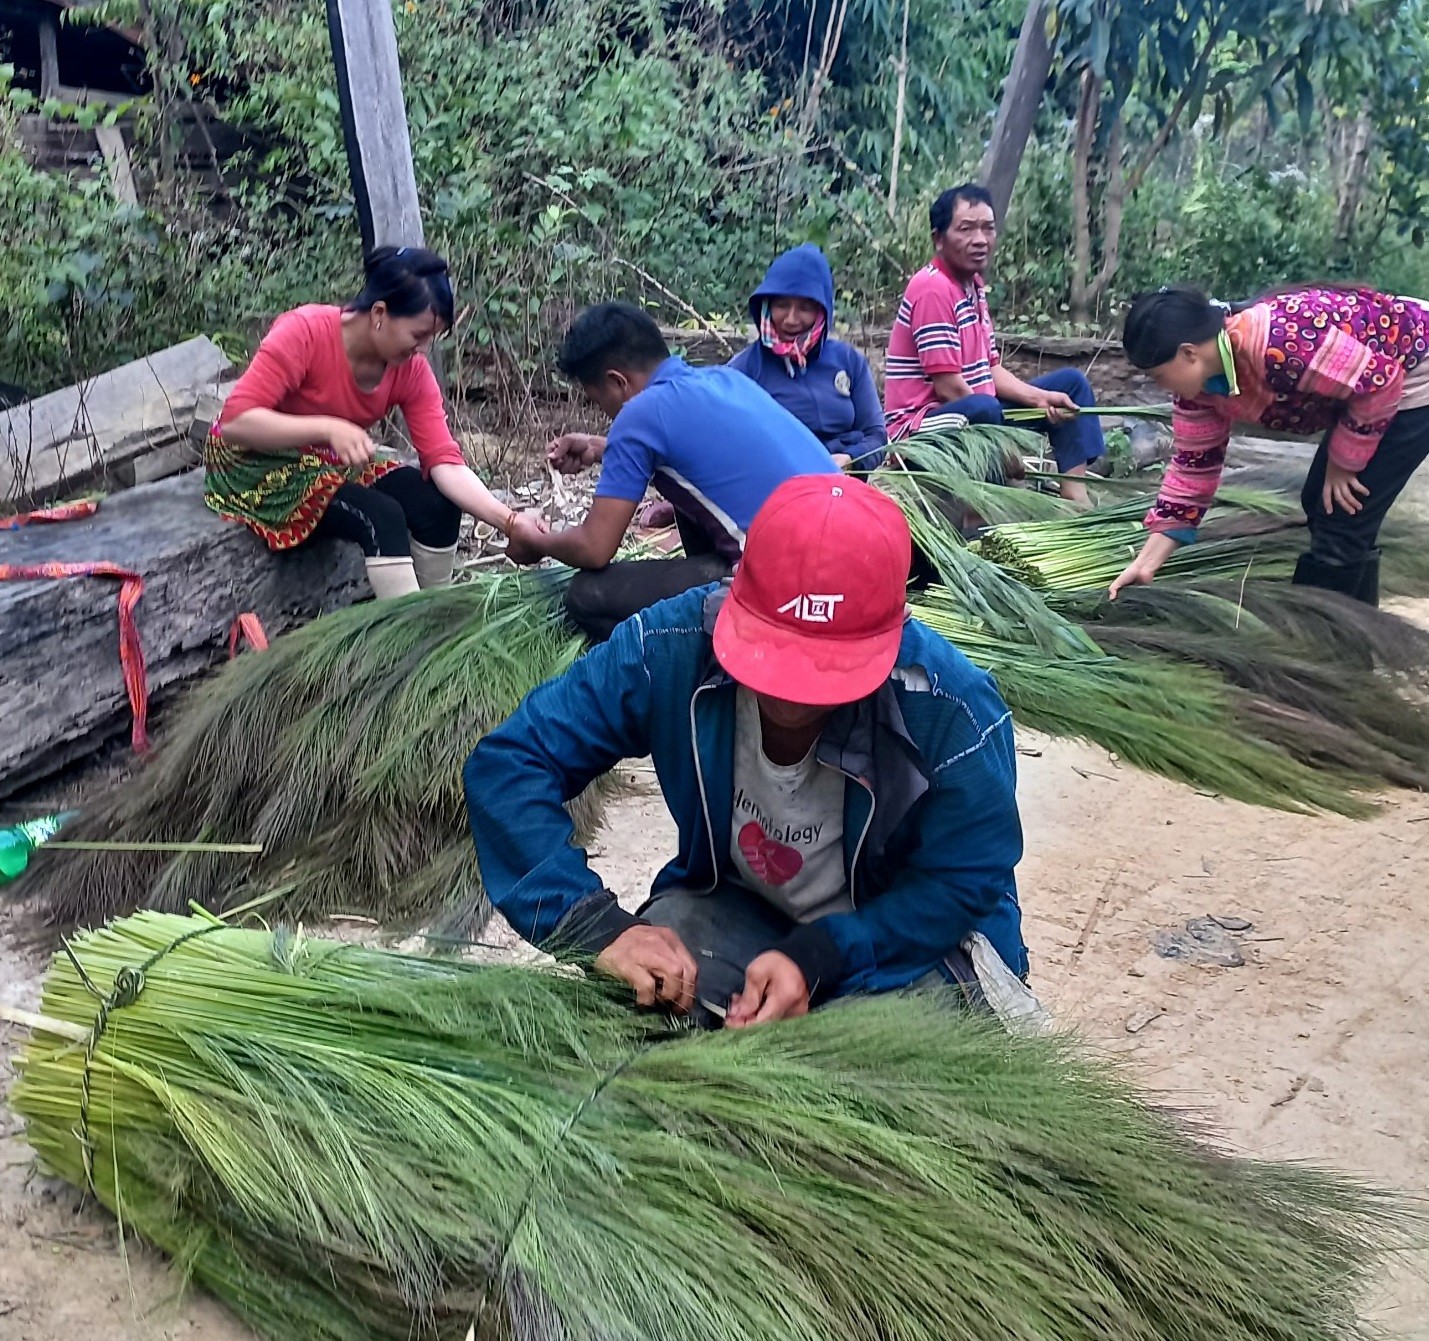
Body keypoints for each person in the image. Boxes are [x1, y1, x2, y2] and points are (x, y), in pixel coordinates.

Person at [466, 474, 1027, 1028]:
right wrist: (595, 926)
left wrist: (821, 956)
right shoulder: (670, 646)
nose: (788, 696)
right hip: (739, 909)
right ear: (734, 590)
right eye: (773, 656)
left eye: (824, 673)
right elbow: (511, 764)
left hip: (904, 939)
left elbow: (963, 882)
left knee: (865, 1089)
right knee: (638, 1013)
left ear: (895, 629)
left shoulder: (952, 708)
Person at [205, 247, 545, 598]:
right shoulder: (305, 331)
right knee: (381, 517)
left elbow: (444, 461)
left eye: (431, 338)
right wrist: (328, 428)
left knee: (437, 505)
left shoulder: (410, 371)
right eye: (417, 335)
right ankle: (407, 636)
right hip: (255, 460)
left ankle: (436, 616)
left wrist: (510, 522)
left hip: (325, 460)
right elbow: (236, 421)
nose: (423, 349)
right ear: (379, 313)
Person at [510, 301, 839, 641]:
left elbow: (594, 549)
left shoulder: (638, 416)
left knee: (586, 595)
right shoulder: (722, 379)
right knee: (683, 491)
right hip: (847, 558)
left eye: (597, 400)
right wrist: (598, 448)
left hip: (795, 586)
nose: (604, 411)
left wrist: (536, 540)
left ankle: (690, 668)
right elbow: (697, 448)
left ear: (618, 381)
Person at [1111, 284, 1429, 606]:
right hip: (1369, 391)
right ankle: (1363, 633)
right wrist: (1145, 564)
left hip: (1414, 371)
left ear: (1189, 353)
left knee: (1341, 523)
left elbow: (1380, 382)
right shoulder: (1201, 393)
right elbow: (1193, 472)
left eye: (1158, 376)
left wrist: (1345, 463)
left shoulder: (1276, 342)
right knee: (1322, 505)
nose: (1160, 386)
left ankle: (1325, 643)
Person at [884, 183, 1104, 503]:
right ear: (938, 239)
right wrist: (1004, 447)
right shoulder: (932, 289)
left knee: (1070, 386)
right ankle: (990, 501)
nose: (980, 239)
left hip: (976, 412)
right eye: (966, 229)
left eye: (988, 228)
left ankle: (1075, 500)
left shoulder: (972, 285)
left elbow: (990, 370)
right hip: (923, 428)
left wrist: (1040, 399)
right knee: (984, 407)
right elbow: (950, 389)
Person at [727, 243, 887, 471]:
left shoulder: (849, 361)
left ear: (822, 311)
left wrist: (851, 458)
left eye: (804, 308)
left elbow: (877, 435)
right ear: (767, 305)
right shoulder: (744, 370)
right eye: (782, 305)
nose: (791, 319)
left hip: (844, 486)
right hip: (775, 488)